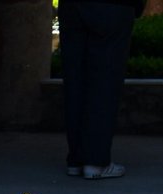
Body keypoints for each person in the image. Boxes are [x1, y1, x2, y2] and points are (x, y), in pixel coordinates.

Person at [58, 0, 143, 179]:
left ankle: (76, 159)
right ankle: (95, 161)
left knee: (75, 79)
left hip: (72, 7)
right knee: (105, 81)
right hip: (112, 7)